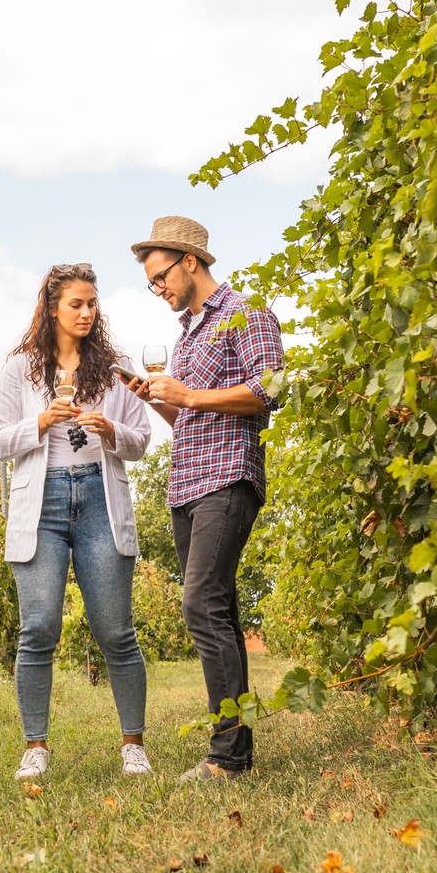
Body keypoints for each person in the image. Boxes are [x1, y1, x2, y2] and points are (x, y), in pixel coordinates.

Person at [126, 216, 284, 782]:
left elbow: (269, 392)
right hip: (188, 483)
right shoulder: (188, 333)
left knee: (199, 605)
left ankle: (226, 755)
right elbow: (191, 414)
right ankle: (234, 750)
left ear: (190, 261)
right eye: (152, 283)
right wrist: (157, 398)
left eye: (160, 276)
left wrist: (188, 391)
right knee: (217, 607)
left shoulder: (247, 313)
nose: (159, 289)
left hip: (227, 477)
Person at [0, 263, 154, 782]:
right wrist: (39, 422)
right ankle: (35, 747)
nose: (86, 313)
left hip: (100, 502)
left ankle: (133, 745)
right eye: (76, 304)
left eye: (91, 304)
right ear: (52, 308)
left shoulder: (117, 367)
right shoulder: (21, 369)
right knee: (37, 629)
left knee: (116, 632)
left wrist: (109, 430)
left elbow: (142, 439)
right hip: (44, 502)